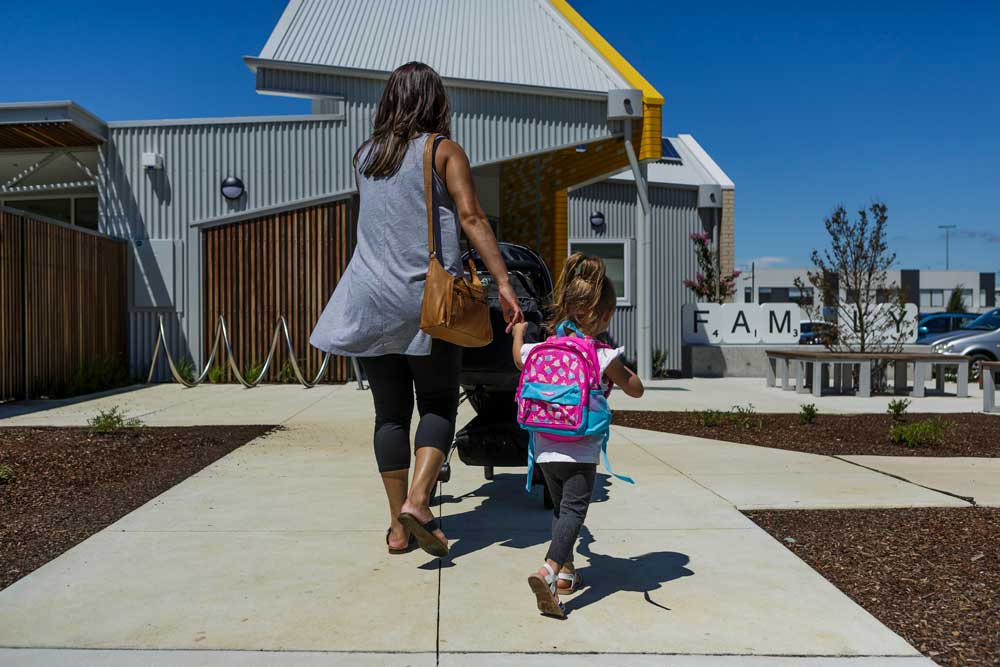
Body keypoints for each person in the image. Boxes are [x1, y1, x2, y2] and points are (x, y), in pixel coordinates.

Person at [310, 62, 523, 558]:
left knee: (388, 415)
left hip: (366, 295)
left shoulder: (366, 156)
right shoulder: (442, 150)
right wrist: (505, 282)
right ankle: (419, 503)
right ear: (435, 101)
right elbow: (471, 216)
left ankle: (397, 528)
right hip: (424, 298)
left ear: (390, 100)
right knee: (436, 402)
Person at [511, 253, 644, 617]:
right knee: (574, 510)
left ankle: (567, 573)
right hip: (581, 451)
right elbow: (636, 389)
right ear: (603, 316)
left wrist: (521, 331)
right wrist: (620, 368)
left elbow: (519, 359)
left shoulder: (542, 348)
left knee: (561, 510)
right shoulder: (600, 354)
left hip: (544, 449)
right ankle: (550, 571)